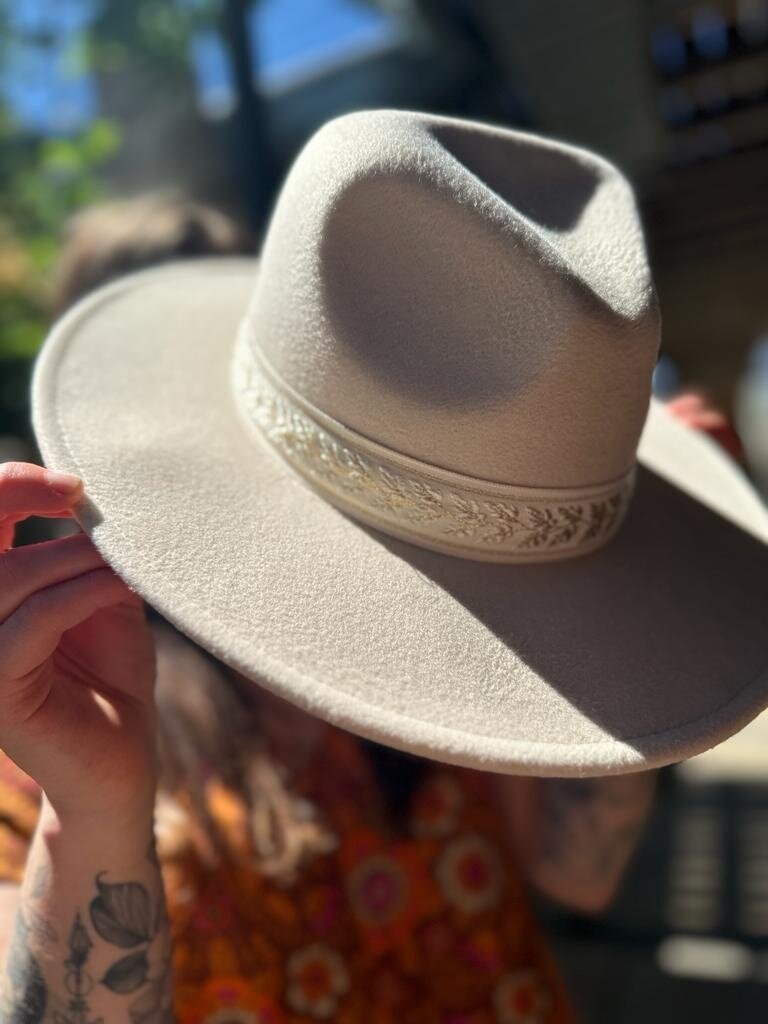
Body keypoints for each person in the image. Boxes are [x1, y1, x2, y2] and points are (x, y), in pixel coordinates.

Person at [1, 110, 766, 1024]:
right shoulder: (45, 710)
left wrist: (625, 630)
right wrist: (91, 810)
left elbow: (578, 874)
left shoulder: (468, 630)